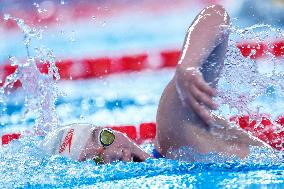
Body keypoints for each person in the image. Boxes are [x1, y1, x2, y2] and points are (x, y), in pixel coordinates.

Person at [40, 5, 271, 164]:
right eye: (95, 161)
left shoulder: (174, 134)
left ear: (114, 130)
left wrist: (186, 66)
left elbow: (216, 15)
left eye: (104, 138)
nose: (111, 153)